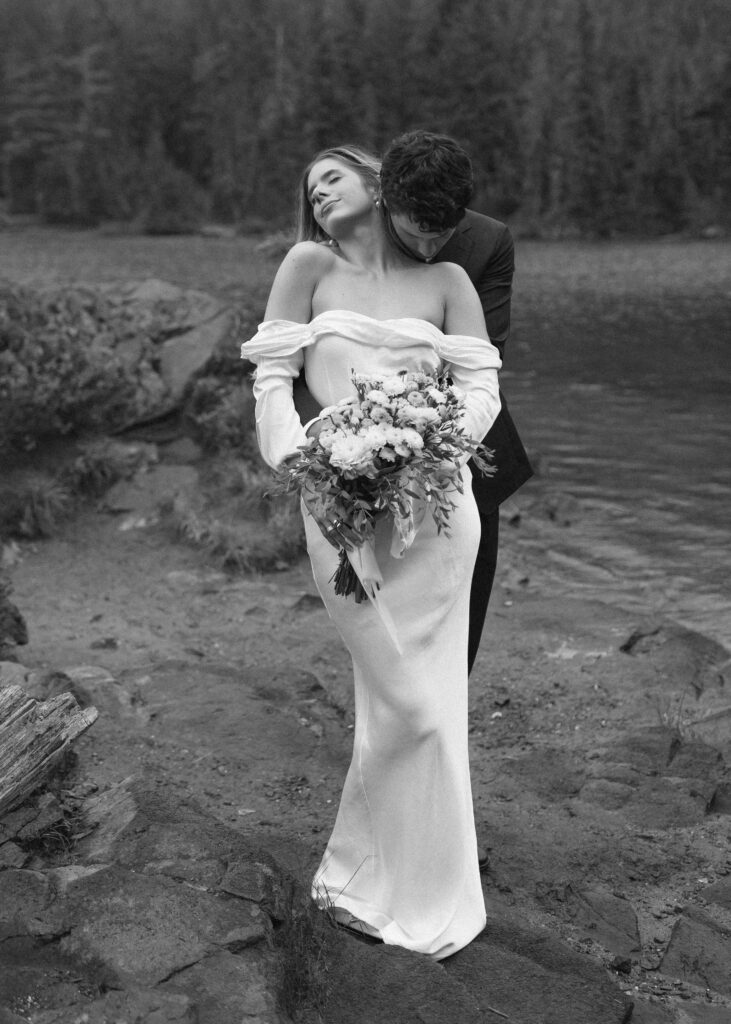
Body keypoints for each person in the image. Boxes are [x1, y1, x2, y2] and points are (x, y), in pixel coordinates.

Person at [240, 145, 502, 959]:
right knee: (400, 697)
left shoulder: (448, 283)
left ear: (374, 181)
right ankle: (372, 870)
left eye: (331, 178)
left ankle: (401, 883)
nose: (317, 194)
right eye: (308, 188)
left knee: (429, 701)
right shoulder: (305, 265)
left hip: (438, 504)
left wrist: (439, 441)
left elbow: (482, 385)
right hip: (339, 499)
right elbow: (271, 380)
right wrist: (300, 462)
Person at [380, 130, 533, 673]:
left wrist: (430, 441)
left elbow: (484, 355)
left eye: (440, 236)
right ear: (386, 202)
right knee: (384, 611)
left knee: (464, 604)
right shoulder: (352, 239)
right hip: (364, 448)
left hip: (471, 446)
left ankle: (447, 727)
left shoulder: (490, 241)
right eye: (413, 235)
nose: (427, 251)